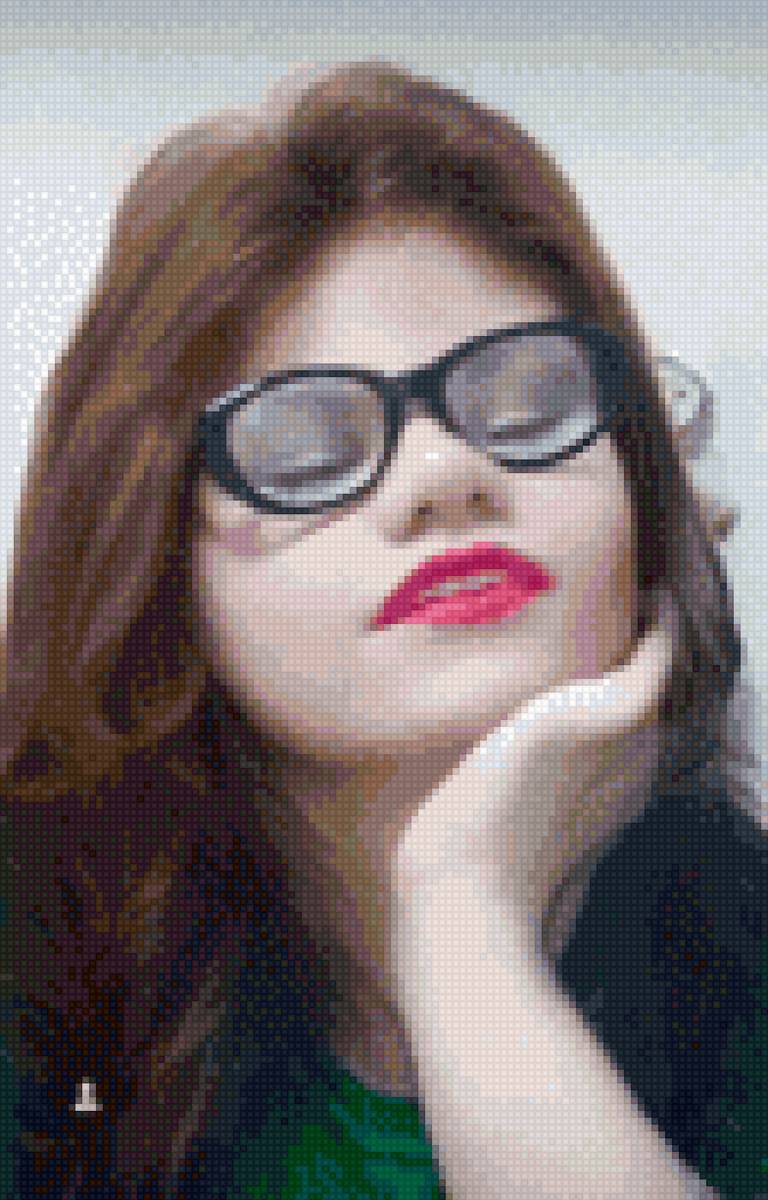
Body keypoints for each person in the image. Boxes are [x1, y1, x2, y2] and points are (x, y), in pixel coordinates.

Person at [0, 59, 765, 1200]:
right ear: (155, 565)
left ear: (645, 495)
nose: (448, 474)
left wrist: (467, 928)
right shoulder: (39, 997)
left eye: (532, 405)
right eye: (306, 447)